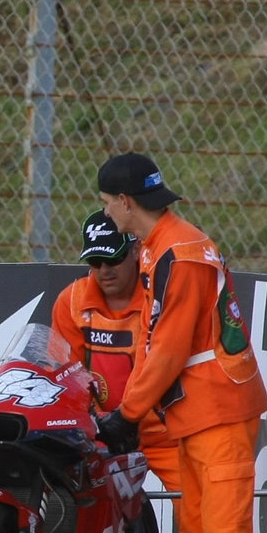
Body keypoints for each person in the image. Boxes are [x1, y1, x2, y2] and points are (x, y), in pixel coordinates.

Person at [97, 153, 267, 533]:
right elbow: (158, 347)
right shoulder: (162, 249)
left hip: (218, 412)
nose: (105, 213)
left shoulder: (183, 254)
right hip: (195, 414)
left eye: (106, 203)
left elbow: (168, 350)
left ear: (126, 202)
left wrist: (128, 413)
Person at [50, 211, 181, 494]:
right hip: (100, 435)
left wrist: (130, 419)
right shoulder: (71, 302)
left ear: (136, 250)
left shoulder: (158, 297)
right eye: (95, 262)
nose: (104, 270)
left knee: (200, 514)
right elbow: (66, 377)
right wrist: (100, 425)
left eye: (113, 259)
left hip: (165, 435)